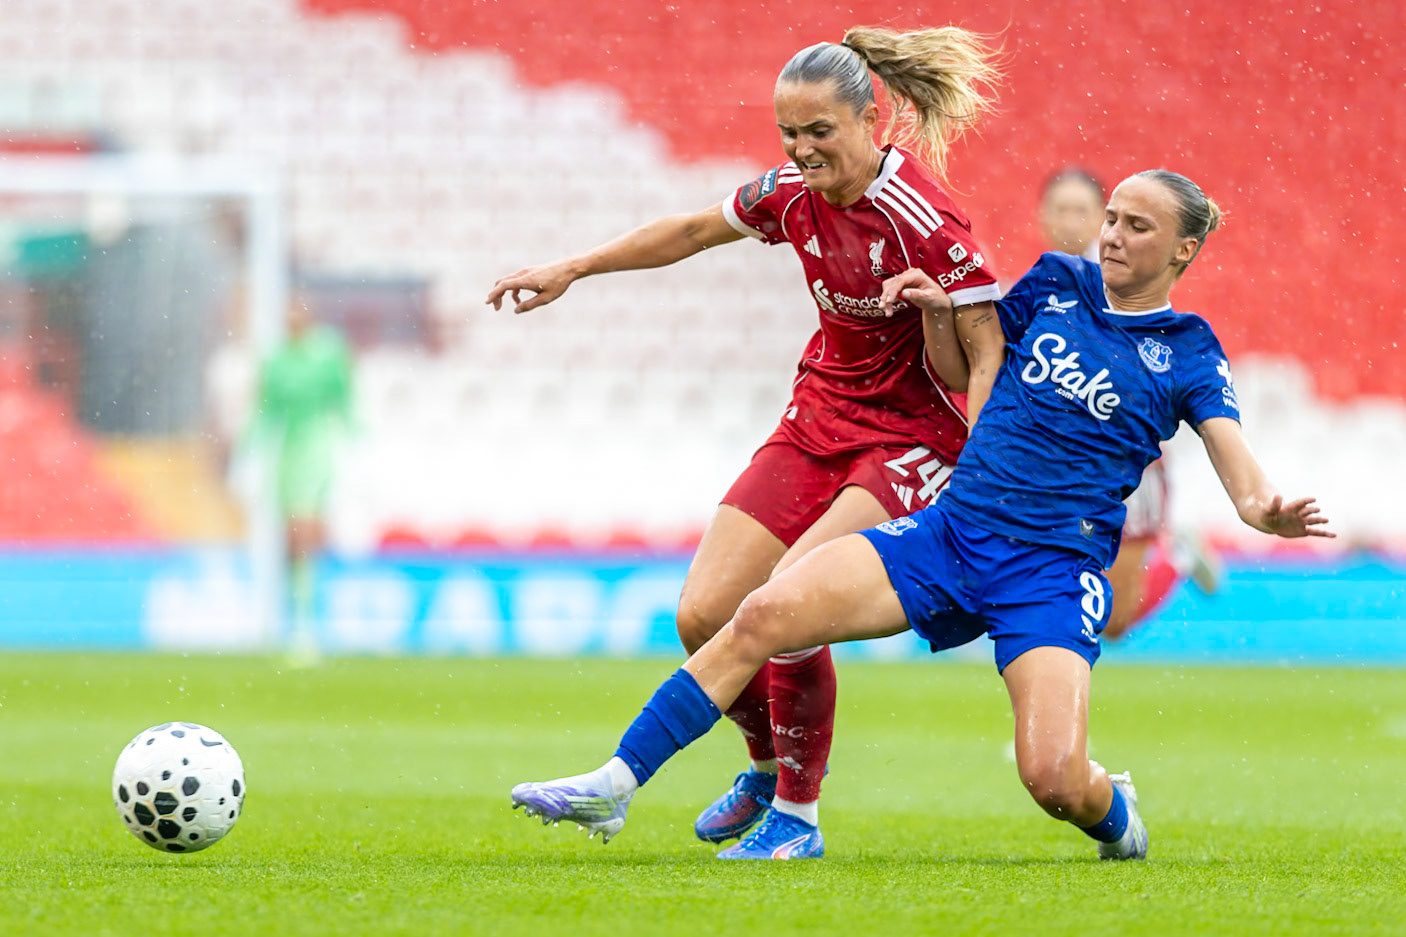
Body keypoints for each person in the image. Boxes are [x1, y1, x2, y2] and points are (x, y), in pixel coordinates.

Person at [508, 169, 1333, 860]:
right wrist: (941, 311)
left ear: (1184, 249)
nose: (1113, 235)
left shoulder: (1188, 349)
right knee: (765, 610)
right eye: (1111, 218)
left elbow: (1239, 466)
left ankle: (1114, 815)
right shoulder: (1055, 283)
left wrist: (1267, 509)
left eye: (1137, 226)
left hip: (1050, 570)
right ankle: (615, 784)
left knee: (1050, 777)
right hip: (951, 531)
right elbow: (967, 363)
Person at [487, 28, 1004, 859]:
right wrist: (575, 267)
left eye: (820, 133)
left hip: (909, 436)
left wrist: (981, 474)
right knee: (701, 611)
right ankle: (766, 768)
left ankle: (796, 819)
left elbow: (986, 353)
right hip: (819, 416)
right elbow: (694, 230)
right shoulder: (789, 194)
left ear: (872, 120)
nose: (802, 151)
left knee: (791, 602)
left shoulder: (926, 221)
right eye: (789, 135)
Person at [1038, 167, 1220, 638]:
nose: (1070, 220)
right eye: (1061, 209)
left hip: (1127, 465)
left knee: (1113, 621)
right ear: (1044, 216)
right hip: (1060, 463)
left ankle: (1176, 555)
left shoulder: (1123, 283)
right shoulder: (1040, 284)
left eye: (1082, 210)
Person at [246, 295, 354, 665]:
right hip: (286, 453)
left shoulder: (328, 352)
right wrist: (248, 455)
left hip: (317, 447)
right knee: (291, 541)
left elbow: (344, 401)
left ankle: (309, 627)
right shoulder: (274, 359)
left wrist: (358, 446)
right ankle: (296, 620)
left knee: (307, 532)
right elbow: (264, 411)